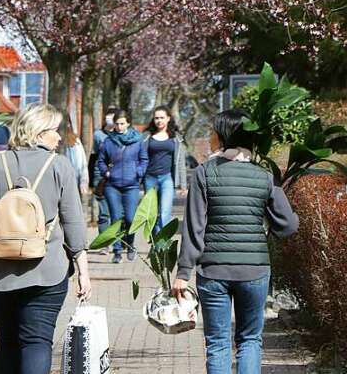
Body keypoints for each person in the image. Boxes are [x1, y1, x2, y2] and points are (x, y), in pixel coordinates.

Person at [0, 103, 92, 374]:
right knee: (37, 341)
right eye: (54, 130)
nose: (59, 137)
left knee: (7, 340)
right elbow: (73, 221)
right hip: (47, 270)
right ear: (37, 133)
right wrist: (83, 270)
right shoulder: (60, 167)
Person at [172, 109, 298, 374]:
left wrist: (183, 272)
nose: (211, 136)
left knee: (217, 343)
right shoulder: (264, 176)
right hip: (254, 270)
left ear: (224, 136)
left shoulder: (204, 174)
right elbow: (287, 225)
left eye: (214, 131)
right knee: (250, 340)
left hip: (213, 270)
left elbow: (194, 228)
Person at [96, 108, 148, 263]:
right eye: (117, 124)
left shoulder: (138, 140)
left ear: (128, 123)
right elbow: (101, 160)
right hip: (113, 186)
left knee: (131, 218)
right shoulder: (108, 141)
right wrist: (106, 172)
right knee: (116, 218)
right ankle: (117, 250)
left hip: (131, 185)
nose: (119, 127)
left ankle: (130, 244)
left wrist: (138, 172)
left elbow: (144, 159)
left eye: (122, 123)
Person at [143, 104, 187, 236]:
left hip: (167, 178)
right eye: (156, 118)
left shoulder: (176, 138)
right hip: (150, 179)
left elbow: (180, 162)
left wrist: (183, 185)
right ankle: (156, 244)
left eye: (162, 117)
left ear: (168, 118)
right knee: (152, 214)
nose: (159, 121)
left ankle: (163, 244)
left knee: (165, 212)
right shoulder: (146, 136)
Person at [89, 107, 116, 236]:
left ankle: (117, 240)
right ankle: (104, 241)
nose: (109, 120)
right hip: (100, 176)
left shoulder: (122, 135)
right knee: (104, 212)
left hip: (117, 175)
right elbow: (93, 156)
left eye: (112, 117)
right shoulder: (98, 135)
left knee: (117, 211)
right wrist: (89, 179)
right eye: (107, 117)